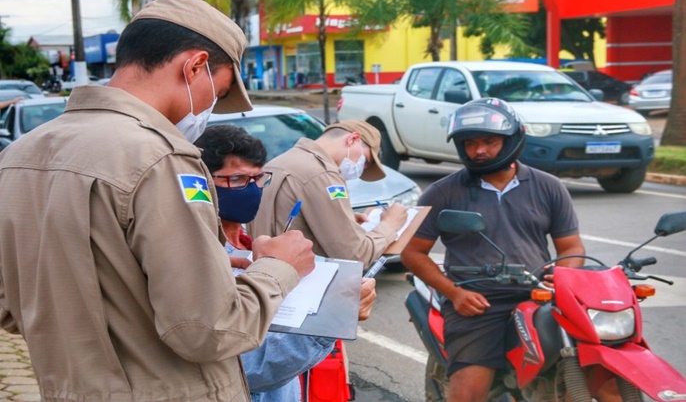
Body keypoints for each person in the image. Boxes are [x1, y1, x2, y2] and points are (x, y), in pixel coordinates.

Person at [0, 0, 316, 402]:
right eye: (218, 92)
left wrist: (156, 271)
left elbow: (11, 306)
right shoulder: (159, 157)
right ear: (194, 66)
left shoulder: (13, 159)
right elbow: (207, 330)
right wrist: (279, 268)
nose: (211, 108)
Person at [401, 98, 587, 402]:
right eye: (470, 143)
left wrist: (564, 274)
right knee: (467, 392)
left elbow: (571, 246)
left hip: (538, 294)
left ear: (512, 139)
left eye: (490, 141)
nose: (480, 150)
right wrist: (456, 293)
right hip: (478, 302)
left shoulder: (548, 186)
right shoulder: (443, 192)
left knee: (596, 362)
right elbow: (413, 253)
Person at [195, 125, 378, 401]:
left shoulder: (250, 244)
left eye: (258, 179)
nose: (252, 189)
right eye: (236, 180)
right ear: (201, 182)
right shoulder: (197, 258)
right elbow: (250, 366)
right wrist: (336, 313)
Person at [250, 120, 409, 266]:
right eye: (366, 161)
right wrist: (389, 225)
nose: (361, 169)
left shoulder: (276, 164)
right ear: (353, 139)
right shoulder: (322, 174)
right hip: (298, 282)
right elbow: (355, 255)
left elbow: (280, 219)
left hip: (265, 273)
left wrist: (340, 220)